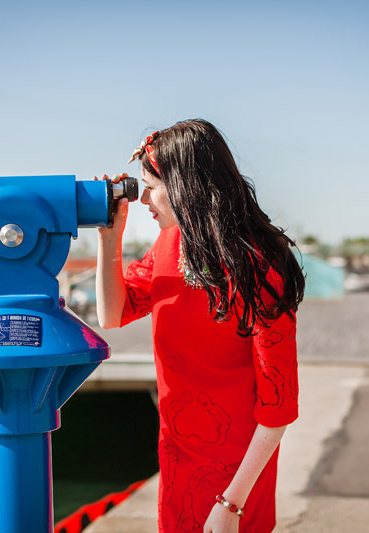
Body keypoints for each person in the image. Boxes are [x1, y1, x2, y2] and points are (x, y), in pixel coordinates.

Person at [96, 119, 305, 533]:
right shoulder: (169, 245)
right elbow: (112, 315)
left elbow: (278, 407)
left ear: (184, 184)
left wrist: (232, 503)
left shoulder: (258, 266)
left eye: (151, 186)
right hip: (177, 455)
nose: (144, 200)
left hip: (238, 470)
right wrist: (109, 237)